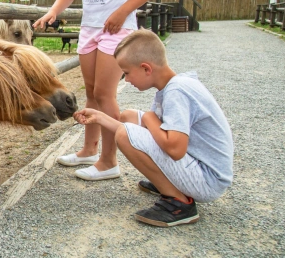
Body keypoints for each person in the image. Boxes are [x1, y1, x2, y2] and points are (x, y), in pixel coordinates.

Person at [33, 0, 160, 180]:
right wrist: (52, 11)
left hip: (118, 29)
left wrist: (121, 12)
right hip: (89, 29)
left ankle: (109, 160)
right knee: (90, 93)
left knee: (105, 94)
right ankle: (89, 150)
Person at [73, 29, 234, 226]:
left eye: (127, 73)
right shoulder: (172, 86)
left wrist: (149, 118)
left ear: (146, 68)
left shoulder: (177, 92)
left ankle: (179, 202)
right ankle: (167, 182)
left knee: (125, 134)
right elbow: (148, 133)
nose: (127, 80)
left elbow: (175, 149)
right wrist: (99, 117)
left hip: (208, 180)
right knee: (128, 117)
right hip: (197, 167)